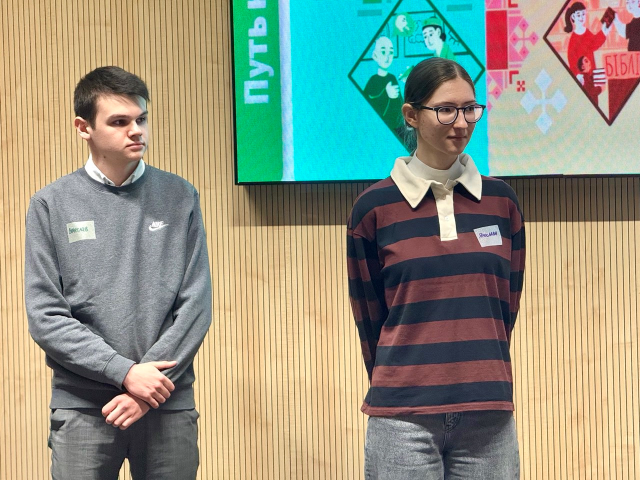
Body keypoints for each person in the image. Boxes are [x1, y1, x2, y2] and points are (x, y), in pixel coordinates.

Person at [24, 66, 212, 479]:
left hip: (165, 402)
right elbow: (46, 316)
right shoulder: (50, 204)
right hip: (84, 408)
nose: (136, 131)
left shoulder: (180, 196)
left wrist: (147, 390)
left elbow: (195, 307)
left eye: (141, 119)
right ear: (83, 128)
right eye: (120, 121)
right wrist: (125, 373)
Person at [347, 57, 525, 479]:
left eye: (470, 109)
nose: (461, 123)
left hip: (488, 412)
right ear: (411, 115)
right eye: (446, 110)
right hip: (402, 417)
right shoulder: (373, 208)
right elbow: (370, 317)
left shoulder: (502, 202)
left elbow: (505, 307)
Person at [364, 36, 404, 135]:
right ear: (375, 55)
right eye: (383, 52)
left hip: (397, 128)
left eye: (390, 52)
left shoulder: (392, 78)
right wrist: (386, 93)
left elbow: (400, 103)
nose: (387, 57)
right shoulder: (373, 80)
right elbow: (367, 105)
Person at [564, 2, 611, 78]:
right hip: (581, 74)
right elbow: (571, 59)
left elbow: (594, 44)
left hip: (591, 70)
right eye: (578, 15)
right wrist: (577, 74)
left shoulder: (587, 32)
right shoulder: (573, 38)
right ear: (573, 16)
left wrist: (603, 31)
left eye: (583, 14)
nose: (581, 17)